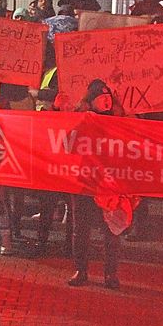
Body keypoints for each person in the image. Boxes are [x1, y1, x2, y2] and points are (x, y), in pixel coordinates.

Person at [69, 79, 128, 289]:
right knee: (81, 229)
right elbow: (66, 139)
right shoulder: (82, 120)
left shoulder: (120, 120)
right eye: (101, 98)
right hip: (85, 181)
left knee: (111, 230)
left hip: (109, 184)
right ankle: (80, 270)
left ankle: (111, 274)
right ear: (91, 101)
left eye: (108, 97)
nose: (106, 101)